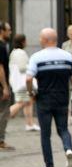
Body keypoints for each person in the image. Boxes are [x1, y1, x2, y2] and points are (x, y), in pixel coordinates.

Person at [26, 28, 72, 167]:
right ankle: (68, 149)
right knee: (63, 129)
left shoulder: (36, 57)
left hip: (44, 99)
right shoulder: (67, 56)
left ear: (44, 40)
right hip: (62, 98)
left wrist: (31, 92)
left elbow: (28, 78)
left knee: (45, 134)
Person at [9, 34, 38, 131]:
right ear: (22, 42)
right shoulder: (20, 53)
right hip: (22, 83)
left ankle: (29, 124)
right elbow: (22, 67)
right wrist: (31, 66)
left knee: (27, 102)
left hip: (18, 82)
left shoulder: (14, 52)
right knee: (21, 102)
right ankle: (3, 118)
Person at [0, 20, 14, 150]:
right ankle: (1, 141)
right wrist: (5, 86)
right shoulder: (1, 46)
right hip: (1, 85)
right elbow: (0, 68)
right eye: (8, 29)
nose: (10, 32)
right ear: (2, 31)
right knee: (4, 112)